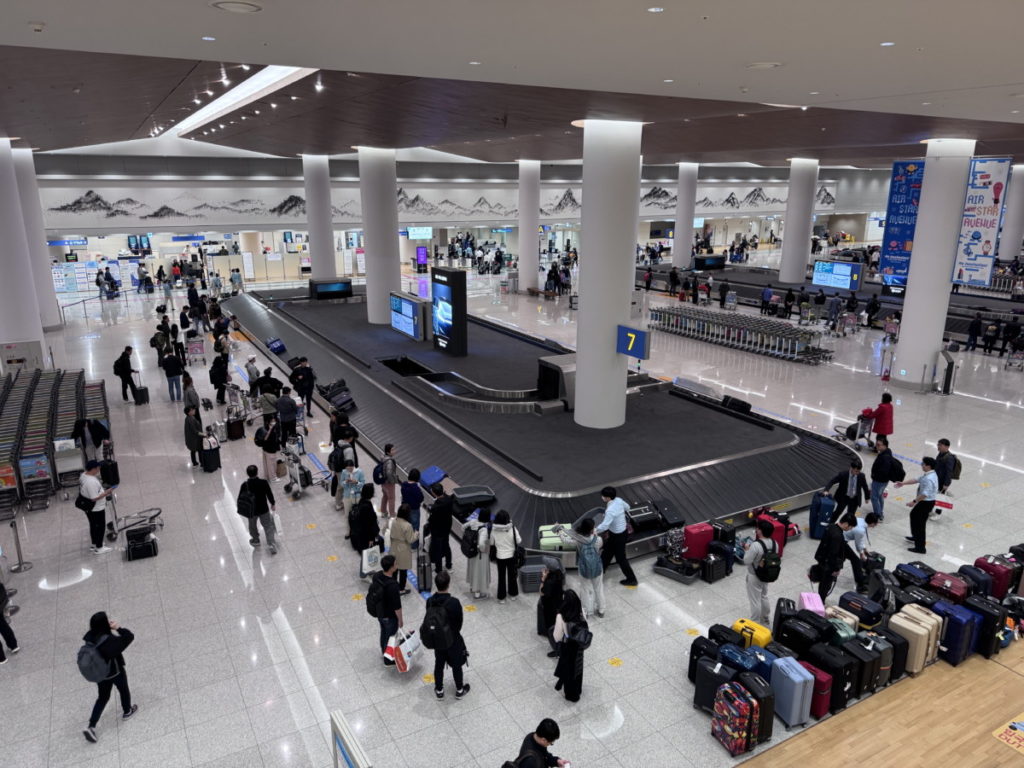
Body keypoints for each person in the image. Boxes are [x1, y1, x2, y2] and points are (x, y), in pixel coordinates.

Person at [81, 611, 138, 743]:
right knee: (123, 689)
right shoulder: (109, 641)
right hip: (115, 671)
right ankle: (127, 711)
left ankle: (91, 726)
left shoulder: (90, 636)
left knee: (102, 698)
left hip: (100, 675)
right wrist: (118, 628)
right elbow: (129, 637)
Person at [426, 570, 470, 699]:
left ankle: (439, 690)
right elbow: (459, 623)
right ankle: (459, 690)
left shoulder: (429, 601)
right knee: (456, 665)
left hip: (438, 640)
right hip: (453, 639)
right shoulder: (454, 602)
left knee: (438, 664)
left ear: (436, 584)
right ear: (448, 584)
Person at [554, 518, 605, 618]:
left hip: (584, 568)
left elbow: (565, 540)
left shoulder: (578, 540)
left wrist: (560, 531)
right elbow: (598, 548)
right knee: (598, 588)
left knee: (585, 590)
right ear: (591, 529)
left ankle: (587, 612)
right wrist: (595, 535)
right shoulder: (598, 539)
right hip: (597, 567)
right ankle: (601, 610)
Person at [895, 457, 939, 554]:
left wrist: (914, 501)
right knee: (914, 516)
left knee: (920, 524)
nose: (921, 465)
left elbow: (925, 494)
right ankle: (915, 537)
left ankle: (920, 548)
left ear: (928, 466)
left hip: (926, 502)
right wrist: (903, 483)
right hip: (925, 502)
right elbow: (916, 479)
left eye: (923, 464)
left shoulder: (929, 478)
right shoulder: (929, 474)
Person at [596, 486, 637, 586]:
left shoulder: (610, 510)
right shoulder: (618, 500)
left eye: (603, 496)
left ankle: (632, 579)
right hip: (622, 532)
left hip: (617, 536)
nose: (602, 497)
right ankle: (600, 572)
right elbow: (628, 507)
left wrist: (594, 530)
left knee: (620, 558)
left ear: (607, 498)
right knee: (607, 552)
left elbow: (605, 525)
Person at [552, 589, 587, 702]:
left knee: (568, 669)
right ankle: (578, 690)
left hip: (568, 646)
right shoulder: (581, 610)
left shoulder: (561, 616)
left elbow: (557, 637)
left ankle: (571, 694)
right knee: (578, 667)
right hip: (579, 644)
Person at [742, 518, 778, 625]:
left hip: (754, 575)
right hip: (767, 574)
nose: (756, 530)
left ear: (761, 531)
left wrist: (747, 549)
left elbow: (746, 560)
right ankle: (765, 617)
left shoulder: (756, 545)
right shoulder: (775, 543)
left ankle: (755, 622)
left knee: (754, 600)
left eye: (758, 528)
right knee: (764, 595)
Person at [813, 513, 855, 601]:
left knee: (822, 583)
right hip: (829, 566)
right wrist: (836, 569)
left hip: (822, 559)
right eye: (851, 527)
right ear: (846, 524)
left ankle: (820, 599)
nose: (850, 529)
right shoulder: (837, 536)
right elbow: (833, 554)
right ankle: (821, 602)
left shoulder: (831, 526)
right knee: (826, 585)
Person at [370, 555, 402, 664]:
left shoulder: (377, 576)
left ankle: (383, 651)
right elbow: (397, 607)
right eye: (396, 563)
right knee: (390, 637)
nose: (397, 564)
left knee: (383, 632)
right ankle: (388, 659)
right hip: (390, 616)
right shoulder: (393, 586)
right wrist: (400, 620)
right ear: (392, 568)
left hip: (379, 612)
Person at [238, 464, 277, 553]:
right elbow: (269, 494)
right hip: (263, 509)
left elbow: (241, 497)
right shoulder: (263, 482)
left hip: (251, 511)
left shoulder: (245, 485)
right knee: (268, 526)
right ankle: (271, 544)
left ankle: (255, 540)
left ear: (247, 474)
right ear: (257, 472)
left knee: (252, 526)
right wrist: (272, 503)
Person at [79, 461, 115, 554]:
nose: (99, 470)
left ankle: (94, 543)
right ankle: (99, 548)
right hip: (96, 508)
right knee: (100, 526)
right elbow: (94, 498)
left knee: (93, 525)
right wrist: (106, 492)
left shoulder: (84, 475)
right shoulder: (90, 482)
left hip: (88, 508)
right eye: (98, 468)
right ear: (93, 469)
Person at [843, 512, 880, 593]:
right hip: (841, 541)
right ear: (872, 523)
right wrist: (862, 554)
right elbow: (858, 543)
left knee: (844, 558)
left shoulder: (860, 520)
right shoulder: (861, 529)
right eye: (875, 524)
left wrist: (865, 549)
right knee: (856, 561)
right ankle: (860, 585)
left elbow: (860, 539)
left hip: (842, 538)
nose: (875, 526)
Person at [490, 509, 521, 603]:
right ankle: (513, 594)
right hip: (511, 556)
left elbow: (491, 542)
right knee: (512, 575)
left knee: (501, 576)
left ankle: (501, 598)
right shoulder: (512, 528)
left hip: (500, 556)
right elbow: (519, 541)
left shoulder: (493, 530)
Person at [427, 484, 455, 574]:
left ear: (434, 493)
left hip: (437, 531)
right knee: (446, 546)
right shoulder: (449, 500)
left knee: (437, 550)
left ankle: (438, 569)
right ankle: (449, 565)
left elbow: (431, 520)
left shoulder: (436, 507)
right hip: (446, 528)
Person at [390, 504, 418, 594]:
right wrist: (416, 535)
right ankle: (401, 589)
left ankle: (393, 586)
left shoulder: (394, 521)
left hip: (394, 546)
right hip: (403, 549)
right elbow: (410, 540)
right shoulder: (408, 526)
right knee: (403, 570)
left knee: (394, 568)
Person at [464, 508, 491, 599]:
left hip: (471, 552)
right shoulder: (483, 529)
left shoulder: (472, 522)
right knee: (479, 572)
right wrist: (484, 549)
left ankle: (472, 587)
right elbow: (481, 544)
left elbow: (463, 527)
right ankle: (478, 593)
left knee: (472, 569)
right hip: (480, 555)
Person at [540, 565, 565, 655]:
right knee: (558, 627)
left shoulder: (549, 582)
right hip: (558, 605)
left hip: (549, 607)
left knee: (551, 629)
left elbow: (541, 592)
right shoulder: (559, 575)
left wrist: (543, 579)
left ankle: (557, 650)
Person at [869, 435, 895, 521]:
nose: (877, 446)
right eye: (877, 444)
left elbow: (883, 471)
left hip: (879, 481)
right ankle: (880, 512)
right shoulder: (887, 452)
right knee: (879, 495)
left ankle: (878, 514)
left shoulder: (885, 457)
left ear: (885, 445)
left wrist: (875, 476)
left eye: (879, 445)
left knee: (874, 497)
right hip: (883, 481)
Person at [351, 483, 381, 556]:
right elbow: (369, 525)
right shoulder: (367, 507)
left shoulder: (362, 501)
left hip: (360, 532)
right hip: (365, 535)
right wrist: (371, 538)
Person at [338, 460, 365, 529]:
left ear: (353, 466)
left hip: (356, 496)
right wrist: (346, 481)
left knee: (358, 514)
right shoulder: (344, 472)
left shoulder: (359, 472)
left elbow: (363, 483)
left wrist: (356, 482)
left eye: (350, 468)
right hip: (347, 496)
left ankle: (358, 529)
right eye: (347, 468)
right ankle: (348, 530)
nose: (349, 470)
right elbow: (341, 483)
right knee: (347, 514)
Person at [400, 468, 425, 534]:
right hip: (414, 509)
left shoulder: (404, 484)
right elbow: (421, 498)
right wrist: (418, 488)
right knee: (414, 527)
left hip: (405, 508)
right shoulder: (415, 488)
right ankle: (414, 543)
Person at [379, 443, 400, 518]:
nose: (395, 451)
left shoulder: (383, 458)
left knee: (385, 496)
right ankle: (392, 514)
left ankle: (383, 511)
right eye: (392, 450)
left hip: (383, 482)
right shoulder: (390, 461)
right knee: (391, 498)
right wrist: (393, 481)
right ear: (388, 452)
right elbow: (389, 473)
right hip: (389, 483)